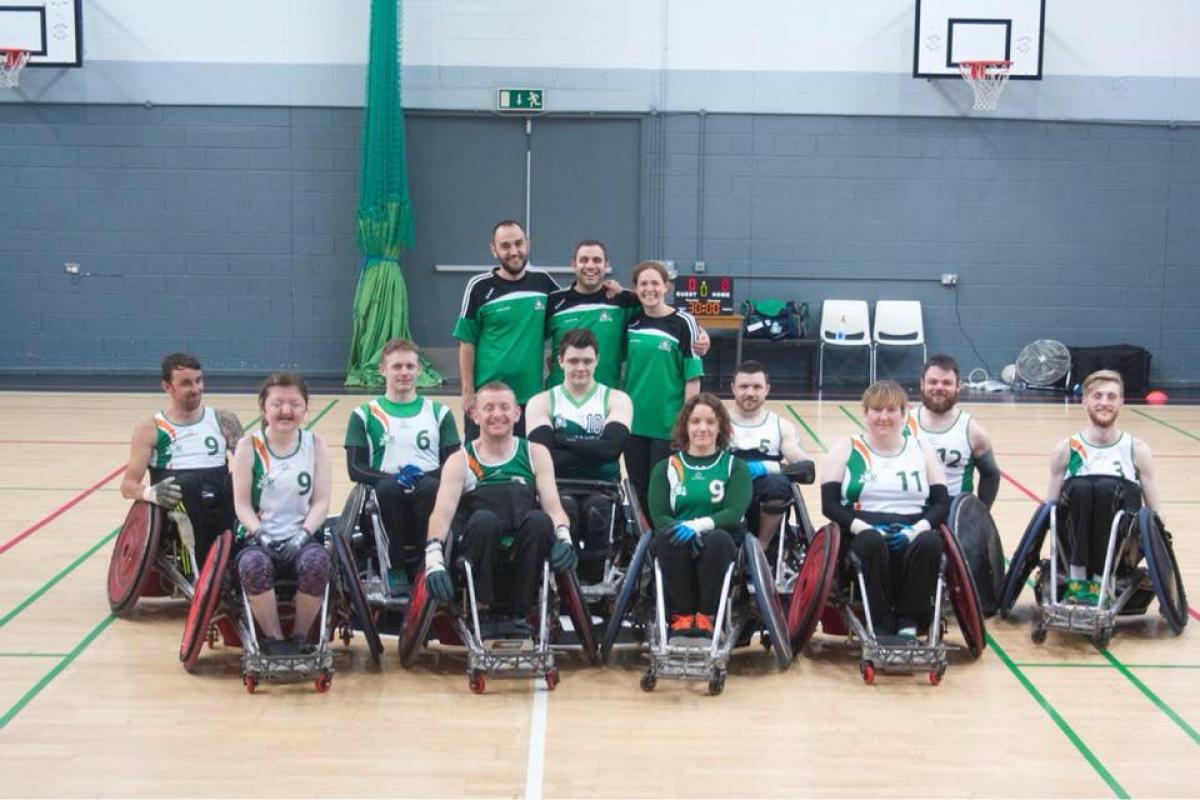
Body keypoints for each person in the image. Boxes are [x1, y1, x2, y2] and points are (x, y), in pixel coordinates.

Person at [422, 382, 578, 635]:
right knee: (484, 520)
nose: (497, 414)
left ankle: (521, 613)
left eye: (505, 407)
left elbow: (553, 505)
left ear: (517, 413)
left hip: (524, 552)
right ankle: (482, 610)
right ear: (475, 415)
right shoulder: (460, 460)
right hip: (480, 551)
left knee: (540, 521)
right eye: (489, 408)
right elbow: (441, 513)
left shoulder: (535, 453)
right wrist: (433, 558)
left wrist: (564, 536)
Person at [821, 380, 950, 639]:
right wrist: (864, 527)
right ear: (865, 413)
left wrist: (916, 530)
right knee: (870, 543)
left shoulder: (921, 448)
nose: (883, 417)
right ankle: (879, 621)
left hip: (912, 525)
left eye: (891, 410)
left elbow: (941, 503)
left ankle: (909, 622)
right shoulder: (847, 448)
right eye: (876, 410)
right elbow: (830, 505)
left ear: (904, 413)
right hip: (861, 529)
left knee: (929, 544)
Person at [344, 338, 461, 585]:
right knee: (388, 489)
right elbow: (355, 468)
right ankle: (394, 569)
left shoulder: (440, 413)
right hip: (384, 501)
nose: (404, 372)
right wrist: (394, 478)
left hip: (428, 498)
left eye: (410, 366)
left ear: (419, 370)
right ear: (383, 370)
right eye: (397, 367)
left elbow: (455, 465)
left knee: (430, 487)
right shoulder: (364, 415)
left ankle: (425, 565)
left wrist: (424, 477)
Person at [231, 372, 332, 655]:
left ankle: (300, 637)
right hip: (258, 539)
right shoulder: (248, 446)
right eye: (277, 404)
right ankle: (274, 639)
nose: (286, 411)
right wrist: (260, 535)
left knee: (317, 563)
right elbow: (241, 504)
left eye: (294, 404)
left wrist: (302, 537)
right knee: (253, 566)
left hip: (302, 537)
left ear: (305, 408)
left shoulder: (316, 445)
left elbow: (322, 503)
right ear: (264, 408)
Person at [1045, 369, 1163, 605]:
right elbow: (1050, 511)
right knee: (1081, 488)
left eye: (1111, 397)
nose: (1104, 403)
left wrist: (1161, 552)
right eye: (1098, 396)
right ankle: (1077, 580)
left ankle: (1102, 579)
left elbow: (1155, 513)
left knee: (1108, 488)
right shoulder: (1066, 449)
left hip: (1122, 544)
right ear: (1084, 401)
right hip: (1075, 535)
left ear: (1121, 403)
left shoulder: (1137, 449)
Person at [119, 352, 242, 570]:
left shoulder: (223, 420)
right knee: (189, 484)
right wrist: (151, 493)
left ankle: (234, 560)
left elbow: (248, 466)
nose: (196, 388)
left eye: (199, 380)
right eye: (186, 383)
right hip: (179, 501)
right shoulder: (150, 428)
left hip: (219, 497)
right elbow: (128, 487)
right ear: (167, 386)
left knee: (239, 481)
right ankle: (195, 566)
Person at [527, 328, 633, 580]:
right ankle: (565, 584)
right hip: (556, 486)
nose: (580, 368)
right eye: (573, 360)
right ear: (560, 361)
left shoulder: (616, 398)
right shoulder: (541, 401)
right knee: (567, 509)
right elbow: (544, 458)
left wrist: (562, 440)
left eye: (587, 360)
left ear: (597, 360)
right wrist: (595, 447)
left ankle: (595, 584)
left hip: (603, 487)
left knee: (597, 510)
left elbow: (611, 450)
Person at [647, 393, 751, 641]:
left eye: (710, 422)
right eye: (695, 422)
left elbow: (734, 512)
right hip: (678, 536)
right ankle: (682, 617)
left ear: (721, 428)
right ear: (685, 426)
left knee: (717, 540)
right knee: (667, 538)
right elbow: (659, 516)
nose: (702, 428)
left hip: (720, 537)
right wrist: (683, 530)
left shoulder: (734, 466)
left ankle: (707, 617)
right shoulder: (666, 467)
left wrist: (697, 526)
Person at [454, 219, 559, 440]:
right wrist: (468, 392)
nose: (514, 251)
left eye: (519, 243)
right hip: (487, 399)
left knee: (527, 466)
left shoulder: (543, 283)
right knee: (480, 467)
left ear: (528, 244)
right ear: (494, 250)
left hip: (530, 400)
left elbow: (571, 310)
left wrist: (611, 288)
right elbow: (466, 342)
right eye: (505, 246)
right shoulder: (479, 287)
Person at [622, 260, 704, 513]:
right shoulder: (631, 322)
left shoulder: (684, 323)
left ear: (666, 286)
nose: (650, 289)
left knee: (665, 489)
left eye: (655, 283)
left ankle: (664, 544)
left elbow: (693, 378)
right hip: (634, 423)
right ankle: (641, 546)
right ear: (635, 289)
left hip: (667, 425)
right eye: (643, 284)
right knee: (638, 487)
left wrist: (686, 422)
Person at [728, 361, 812, 547]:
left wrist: (767, 467)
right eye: (743, 386)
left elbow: (806, 470)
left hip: (765, 492)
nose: (750, 393)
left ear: (767, 389)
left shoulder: (781, 426)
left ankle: (762, 548)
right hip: (725, 490)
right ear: (733, 388)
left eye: (757, 387)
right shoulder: (717, 423)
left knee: (778, 484)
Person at [906, 354, 1001, 509]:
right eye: (933, 382)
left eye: (946, 383)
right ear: (922, 384)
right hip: (912, 507)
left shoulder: (972, 431)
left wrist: (981, 513)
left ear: (958, 386)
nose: (939, 388)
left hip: (952, 511)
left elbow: (991, 474)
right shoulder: (904, 424)